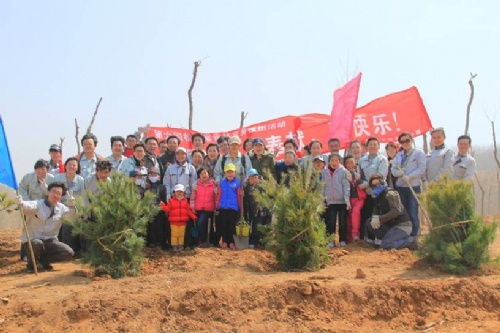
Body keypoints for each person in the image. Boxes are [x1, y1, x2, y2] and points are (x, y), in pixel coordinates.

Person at [16, 182, 76, 273]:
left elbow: (72, 218)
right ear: (48, 192)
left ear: (61, 197)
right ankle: (31, 266)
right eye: (53, 192)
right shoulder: (38, 204)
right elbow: (28, 206)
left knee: (68, 252)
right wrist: (21, 203)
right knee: (36, 243)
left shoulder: (62, 208)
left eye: (58, 193)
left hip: (50, 241)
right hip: (33, 241)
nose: (55, 195)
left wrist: (72, 206)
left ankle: (44, 261)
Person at [366, 174, 418, 250]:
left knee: (386, 245)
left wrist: (380, 219)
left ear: (383, 183)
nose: (375, 187)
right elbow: (376, 212)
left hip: (402, 226)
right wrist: (375, 218)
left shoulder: (390, 194)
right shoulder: (378, 197)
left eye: (377, 184)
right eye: (373, 186)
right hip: (391, 226)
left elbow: (396, 211)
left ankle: (410, 241)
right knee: (370, 222)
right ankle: (388, 239)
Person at [391, 132, 426, 236]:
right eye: (402, 142)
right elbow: (393, 168)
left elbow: (422, 168)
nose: (405, 143)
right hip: (400, 187)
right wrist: (398, 173)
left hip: (413, 187)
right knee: (404, 213)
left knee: (413, 212)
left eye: (407, 140)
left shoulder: (418, 153)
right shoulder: (399, 155)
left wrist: (410, 176)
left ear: (412, 140)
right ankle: (405, 236)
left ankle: (414, 237)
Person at [358, 137, 389, 243]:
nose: (372, 146)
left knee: (380, 214)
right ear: (367, 147)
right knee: (368, 214)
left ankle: (380, 237)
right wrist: (361, 184)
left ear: (378, 146)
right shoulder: (361, 160)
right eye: (370, 144)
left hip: (379, 192)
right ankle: (370, 237)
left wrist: (367, 184)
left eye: (375, 144)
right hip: (367, 193)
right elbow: (360, 176)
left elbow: (381, 176)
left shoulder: (382, 159)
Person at [55, 157, 85, 253]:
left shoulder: (81, 180)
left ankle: (73, 250)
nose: (71, 167)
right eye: (69, 164)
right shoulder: (58, 178)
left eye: (74, 165)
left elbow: (83, 197)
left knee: (71, 228)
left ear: (77, 168)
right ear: (65, 166)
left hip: (74, 208)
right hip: (59, 207)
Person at [322, 154, 350, 247]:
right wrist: (322, 198)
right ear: (328, 162)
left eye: (336, 160)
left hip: (342, 201)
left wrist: (346, 198)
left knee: (342, 222)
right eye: (332, 160)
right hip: (330, 201)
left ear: (339, 162)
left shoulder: (343, 171)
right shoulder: (324, 171)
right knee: (331, 222)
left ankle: (342, 240)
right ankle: (331, 240)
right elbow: (322, 185)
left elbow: (346, 185)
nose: (334, 163)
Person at [159, 184, 197, 252]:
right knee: (174, 234)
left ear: (184, 193)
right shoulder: (171, 201)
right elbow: (167, 209)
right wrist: (163, 206)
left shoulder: (185, 202)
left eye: (181, 191)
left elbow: (188, 211)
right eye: (177, 191)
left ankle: (180, 246)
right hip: (174, 222)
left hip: (183, 222)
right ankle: (174, 246)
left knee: (181, 235)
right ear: (174, 193)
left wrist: (193, 217)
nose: (179, 193)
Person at [215, 163, 242, 250]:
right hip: (223, 207)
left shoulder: (237, 184)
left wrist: (240, 207)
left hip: (233, 208)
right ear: (225, 173)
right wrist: (217, 206)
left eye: (231, 172)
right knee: (223, 225)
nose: (230, 174)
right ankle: (225, 241)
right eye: (228, 172)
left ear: (235, 173)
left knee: (231, 226)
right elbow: (219, 195)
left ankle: (232, 242)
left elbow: (239, 196)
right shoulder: (221, 183)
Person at [190, 167, 218, 246]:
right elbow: (193, 197)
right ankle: (201, 240)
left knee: (201, 222)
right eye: (201, 174)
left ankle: (203, 239)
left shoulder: (213, 185)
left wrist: (216, 207)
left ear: (209, 174)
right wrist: (192, 207)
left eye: (205, 173)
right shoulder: (196, 185)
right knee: (201, 224)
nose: (203, 175)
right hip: (198, 208)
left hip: (209, 209)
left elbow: (216, 198)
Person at [243, 168, 270, 248]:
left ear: (258, 177)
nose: (254, 180)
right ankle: (253, 242)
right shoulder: (247, 188)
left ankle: (263, 242)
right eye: (251, 178)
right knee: (255, 227)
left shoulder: (263, 186)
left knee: (264, 226)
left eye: (255, 178)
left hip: (264, 210)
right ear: (248, 179)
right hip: (253, 210)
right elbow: (246, 201)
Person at [344, 155, 366, 243]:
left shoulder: (359, 171)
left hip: (359, 197)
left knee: (355, 213)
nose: (350, 164)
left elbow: (365, 182)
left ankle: (355, 234)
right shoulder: (344, 173)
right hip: (349, 198)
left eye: (351, 162)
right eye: (347, 163)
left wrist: (358, 180)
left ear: (355, 163)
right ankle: (349, 238)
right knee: (349, 218)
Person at [145, 167, 168, 249]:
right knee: (151, 227)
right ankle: (152, 243)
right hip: (149, 211)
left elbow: (164, 199)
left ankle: (161, 243)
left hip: (159, 211)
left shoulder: (162, 187)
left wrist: (164, 208)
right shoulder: (146, 187)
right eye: (151, 174)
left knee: (160, 227)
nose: (153, 176)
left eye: (155, 174)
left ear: (159, 176)